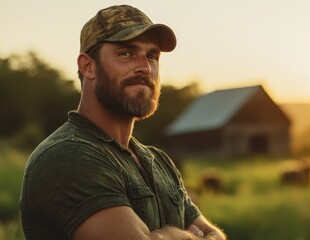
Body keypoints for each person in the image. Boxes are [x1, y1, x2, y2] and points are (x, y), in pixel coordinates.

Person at [19, 4, 227, 240]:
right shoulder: (67, 156)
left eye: (152, 56)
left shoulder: (160, 162)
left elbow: (216, 236)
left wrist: (162, 236)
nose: (145, 68)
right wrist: (186, 236)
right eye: (126, 53)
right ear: (88, 67)